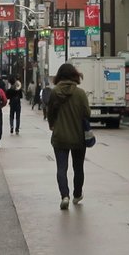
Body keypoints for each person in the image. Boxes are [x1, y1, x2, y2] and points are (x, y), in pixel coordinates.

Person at [45, 63, 90, 209]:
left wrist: (52, 124)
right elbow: (87, 113)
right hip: (78, 136)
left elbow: (50, 112)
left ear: (59, 75)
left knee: (61, 168)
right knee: (78, 167)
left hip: (60, 136)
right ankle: (77, 194)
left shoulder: (54, 92)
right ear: (74, 75)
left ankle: (64, 196)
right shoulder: (80, 93)